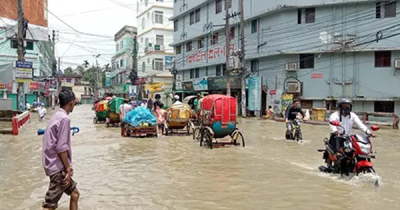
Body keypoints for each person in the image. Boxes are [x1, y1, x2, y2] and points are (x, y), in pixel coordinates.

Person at [42, 89, 79, 210]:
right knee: (50, 205)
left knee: (75, 194)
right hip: (58, 168)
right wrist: (68, 169)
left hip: (53, 164)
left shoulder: (56, 116)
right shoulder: (65, 119)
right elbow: (61, 148)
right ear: (71, 103)